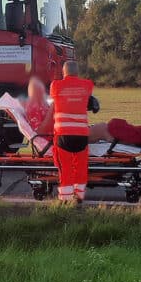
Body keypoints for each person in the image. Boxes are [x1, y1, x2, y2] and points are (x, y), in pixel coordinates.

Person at [25, 76, 141, 148]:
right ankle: (135, 141)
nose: (43, 92)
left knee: (113, 124)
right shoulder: (33, 109)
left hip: (68, 130)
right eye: (39, 90)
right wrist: (54, 108)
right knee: (105, 129)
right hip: (61, 137)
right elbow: (40, 132)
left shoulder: (43, 104)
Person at [50, 61, 96, 204]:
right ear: (77, 72)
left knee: (66, 169)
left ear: (63, 72)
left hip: (63, 136)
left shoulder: (55, 86)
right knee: (81, 167)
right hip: (82, 136)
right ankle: (79, 196)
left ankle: (65, 199)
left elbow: (52, 97)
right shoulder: (87, 85)